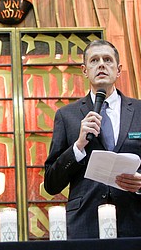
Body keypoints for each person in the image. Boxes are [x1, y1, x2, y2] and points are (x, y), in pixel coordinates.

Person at [44, 39, 141, 239]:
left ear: (119, 69)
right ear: (85, 70)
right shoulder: (67, 115)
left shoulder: (140, 110)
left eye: (108, 60)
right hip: (85, 224)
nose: (101, 65)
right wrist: (78, 146)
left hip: (134, 220)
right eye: (94, 61)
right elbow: (51, 184)